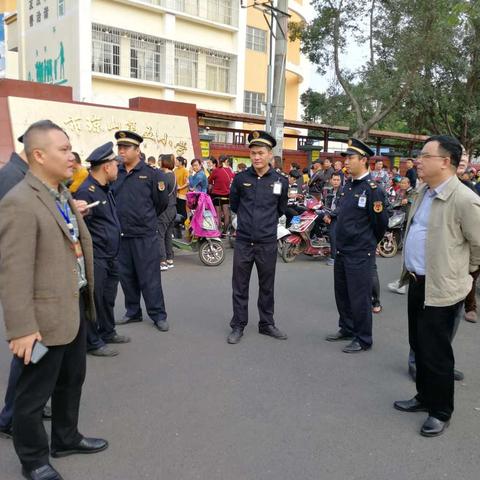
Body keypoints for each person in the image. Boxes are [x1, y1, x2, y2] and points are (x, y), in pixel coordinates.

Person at [0, 120, 108, 480]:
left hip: (71, 305)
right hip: (42, 318)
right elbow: (13, 272)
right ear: (38, 155)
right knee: (32, 396)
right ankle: (34, 460)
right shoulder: (19, 201)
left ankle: (66, 437)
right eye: (64, 149)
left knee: (71, 378)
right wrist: (22, 328)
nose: (72, 156)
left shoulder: (58, 192)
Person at [393, 135, 480, 438]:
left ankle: (441, 411)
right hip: (418, 283)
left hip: (442, 289)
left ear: (445, 162)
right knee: (418, 344)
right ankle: (423, 397)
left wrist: (463, 273)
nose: (418, 160)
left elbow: (478, 244)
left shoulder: (465, 199)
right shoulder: (423, 191)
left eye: (424, 155)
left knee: (437, 353)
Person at [0, 139, 52, 439]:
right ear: (37, 152)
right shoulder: (13, 180)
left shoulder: (23, 177)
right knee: (28, 352)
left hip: (37, 281)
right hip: (27, 284)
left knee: (36, 354)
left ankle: (29, 404)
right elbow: (15, 247)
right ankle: (10, 416)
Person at [325, 138, 388, 353]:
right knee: (342, 293)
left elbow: (380, 224)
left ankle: (363, 338)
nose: (346, 162)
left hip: (360, 252)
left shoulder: (373, 190)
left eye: (350, 158)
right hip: (342, 249)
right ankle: (347, 328)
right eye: (346, 158)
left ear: (363, 160)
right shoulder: (347, 187)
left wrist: (367, 243)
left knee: (360, 297)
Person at [227, 130, 288, 344]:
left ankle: (266, 324)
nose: (256, 157)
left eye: (261, 153)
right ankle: (238, 325)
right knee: (240, 286)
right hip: (243, 241)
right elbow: (234, 205)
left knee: (267, 286)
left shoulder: (281, 180)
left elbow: (281, 209)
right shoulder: (240, 178)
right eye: (253, 153)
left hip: (267, 243)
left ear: (270, 154)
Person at [75, 142, 130, 357]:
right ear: (107, 167)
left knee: (107, 298)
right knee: (94, 300)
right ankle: (93, 342)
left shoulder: (105, 189)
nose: (118, 167)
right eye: (116, 164)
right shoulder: (86, 191)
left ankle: (107, 332)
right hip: (97, 256)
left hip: (111, 255)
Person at [112, 131, 170, 332]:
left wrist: (146, 219)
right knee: (126, 276)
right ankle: (133, 311)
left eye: (126, 148)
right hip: (122, 234)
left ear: (137, 150)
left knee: (150, 277)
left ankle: (158, 314)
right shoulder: (115, 173)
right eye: (119, 147)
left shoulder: (152, 174)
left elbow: (161, 203)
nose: (121, 151)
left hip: (145, 235)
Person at [158, 154, 177, 271]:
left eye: (160, 160)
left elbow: (161, 195)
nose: (159, 162)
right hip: (173, 208)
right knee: (168, 235)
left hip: (165, 209)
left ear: (164, 162)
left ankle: (162, 261)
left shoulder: (164, 177)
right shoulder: (173, 175)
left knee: (160, 235)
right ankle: (169, 259)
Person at [208, 154, 234, 233]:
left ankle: (218, 231)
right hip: (226, 194)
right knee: (226, 213)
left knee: (218, 213)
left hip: (216, 194)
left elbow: (209, 180)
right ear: (226, 161)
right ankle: (225, 232)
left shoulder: (216, 170)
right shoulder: (230, 171)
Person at [321, 172, 342, 266]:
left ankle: (334, 258)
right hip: (330, 215)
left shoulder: (343, 192)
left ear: (341, 181)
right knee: (315, 217)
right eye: (334, 180)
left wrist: (329, 216)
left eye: (338, 180)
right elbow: (327, 205)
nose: (336, 182)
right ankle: (318, 239)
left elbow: (340, 208)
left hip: (339, 217)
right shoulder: (329, 191)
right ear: (330, 180)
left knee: (333, 234)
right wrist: (326, 214)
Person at [174, 156, 189, 229]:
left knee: (182, 209)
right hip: (176, 193)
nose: (175, 162)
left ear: (180, 162)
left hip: (182, 193)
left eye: (176, 161)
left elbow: (187, 183)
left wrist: (180, 187)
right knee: (177, 208)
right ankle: (178, 223)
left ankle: (183, 224)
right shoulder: (175, 170)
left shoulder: (185, 171)